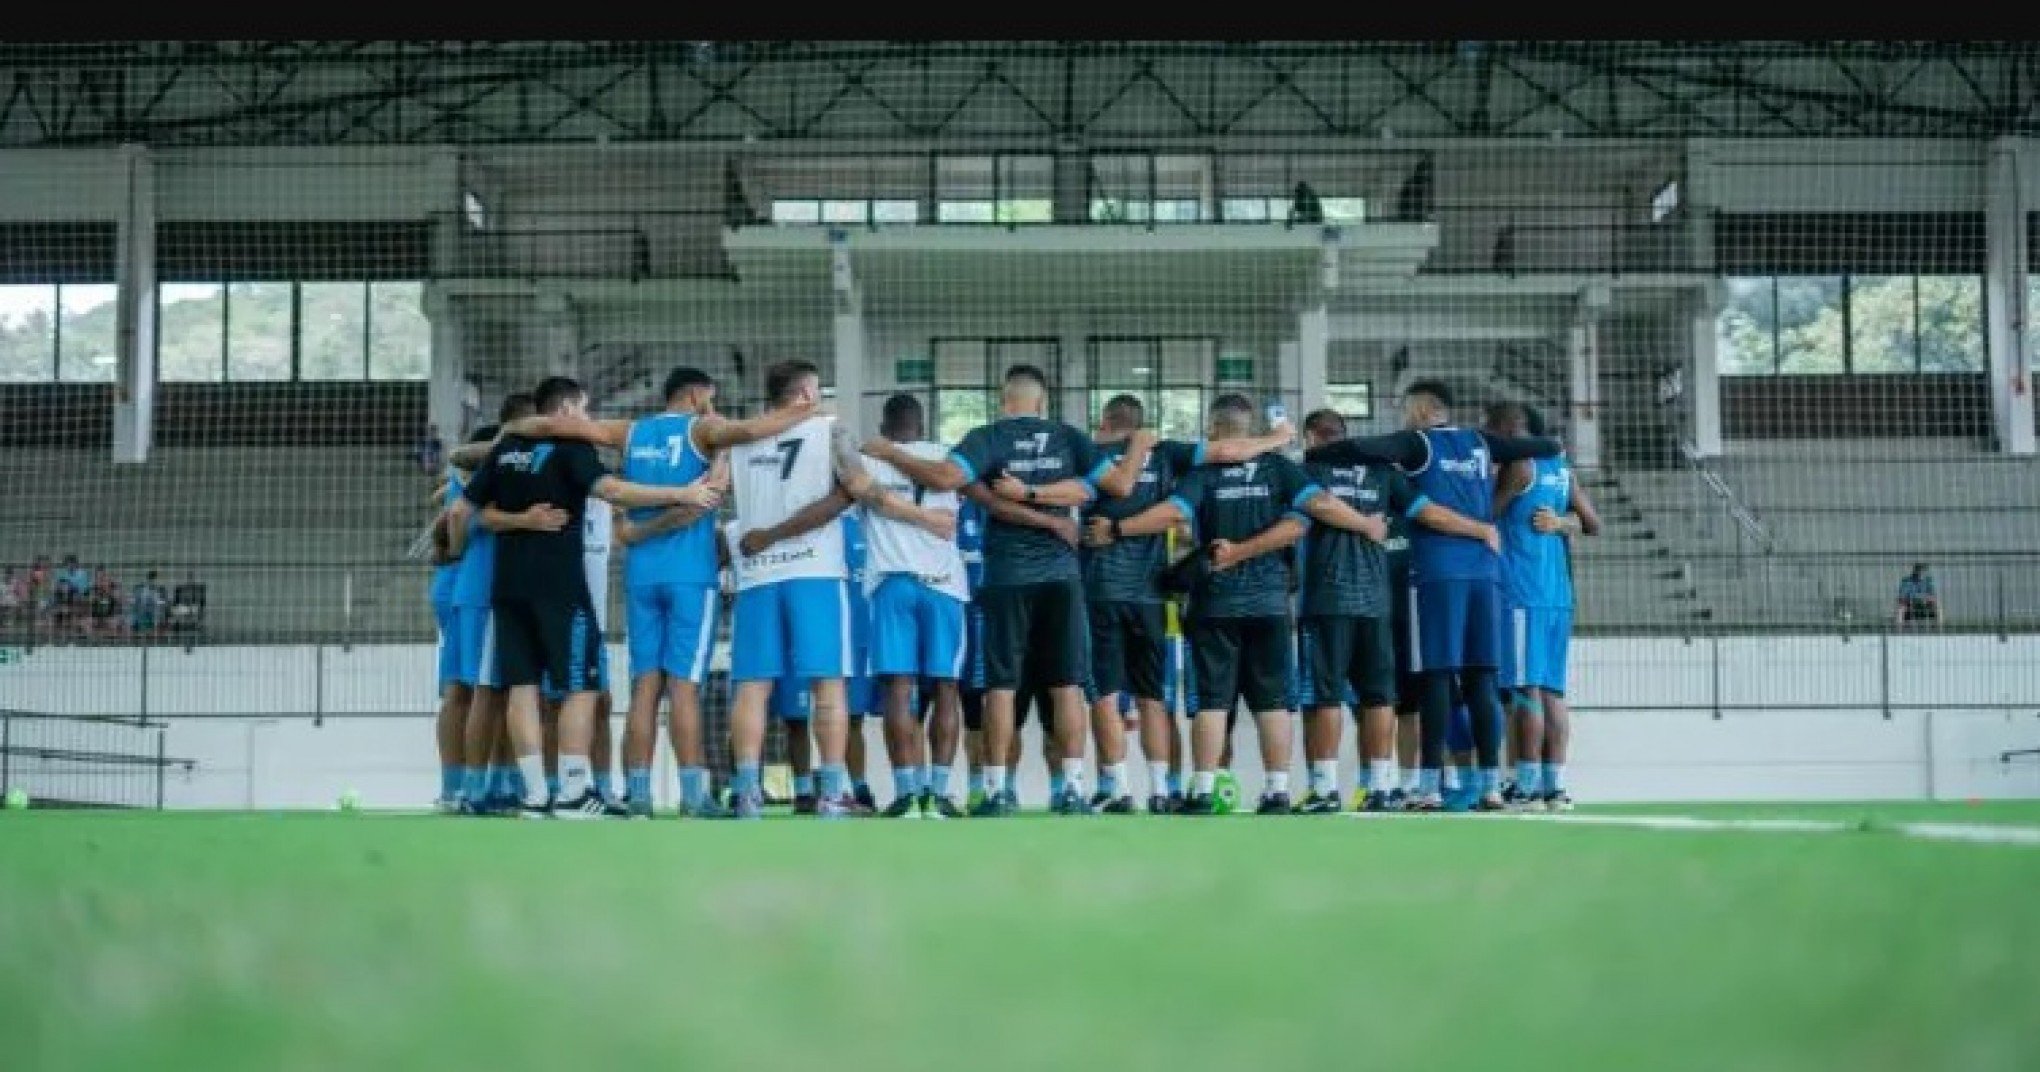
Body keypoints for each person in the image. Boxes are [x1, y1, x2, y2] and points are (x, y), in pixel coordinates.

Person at [482, 365, 812, 818]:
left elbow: (562, 425)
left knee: (644, 687)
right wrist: (805, 410)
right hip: (689, 576)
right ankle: (694, 796)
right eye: (709, 398)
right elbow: (754, 428)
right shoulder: (703, 429)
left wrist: (519, 426)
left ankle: (637, 795)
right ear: (697, 395)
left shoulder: (630, 432)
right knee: (683, 689)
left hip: (640, 575)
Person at [863, 364, 1148, 816]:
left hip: (1007, 576)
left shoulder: (989, 437)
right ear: (1043, 401)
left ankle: (995, 790)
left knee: (1001, 687)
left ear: (1003, 399)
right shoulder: (1069, 437)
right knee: (1067, 683)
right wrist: (1140, 443)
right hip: (1061, 575)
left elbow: (943, 479)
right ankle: (1073, 788)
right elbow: (1119, 484)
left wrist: (889, 452)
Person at [1085, 394, 1389, 815]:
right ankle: (1278, 791)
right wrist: (1365, 523)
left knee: (1211, 702)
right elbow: (1310, 514)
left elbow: (1173, 513)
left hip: (1214, 604)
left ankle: (1203, 789)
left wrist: (1119, 529)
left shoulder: (1204, 472)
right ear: (1248, 429)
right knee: (1272, 702)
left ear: (1213, 427)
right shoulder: (1281, 468)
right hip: (1269, 602)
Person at [449, 376, 718, 819]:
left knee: (521, 687)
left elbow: (463, 509)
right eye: (585, 410)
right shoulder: (572, 449)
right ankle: (574, 793)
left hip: (508, 584)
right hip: (560, 584)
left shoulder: (506, 448)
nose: (589, 418)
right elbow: (613, 491)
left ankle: (535, 796)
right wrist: (680, 492)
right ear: (569, 409)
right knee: (583, 686)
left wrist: (466, 547)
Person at [1302, 379, 1561, 812]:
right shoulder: (1481, 441)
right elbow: (1543, 446)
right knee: (1482, 677)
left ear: (1421, 410)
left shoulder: (1417, 443)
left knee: (1436, 678)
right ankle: (1491, 785)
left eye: (1406, 408)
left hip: (1438, 573)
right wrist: (1548, 448)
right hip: (1487, 572)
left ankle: (1429, 786)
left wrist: (1316, 453)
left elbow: (1365, 449)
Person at [724, 360, 950, 818]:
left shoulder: (738, 438)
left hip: (757, 575)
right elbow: (862, 488)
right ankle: (830, 792)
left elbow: (712, 490)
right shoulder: (829, 429)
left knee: (753, 687)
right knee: (828, 686)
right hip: (814, 574)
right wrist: (926, 518)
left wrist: (762, 535)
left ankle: (747, 793)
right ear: (807, 392)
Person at [1081, 394, 1293, 813]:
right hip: (1153, 594)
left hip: (1102, 590)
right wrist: (1278, 437)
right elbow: (1229, 453)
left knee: (1105, 695)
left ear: (1105, 423)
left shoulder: (1091, 454)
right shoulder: (1168, 454)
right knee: (1153, 697)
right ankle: (1164, 790)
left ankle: (1119, 790)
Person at [1296, 408, 1495, 813]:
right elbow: (1431, 513)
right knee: (1379, 698)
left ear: (1309, 438)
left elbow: (1317, 508)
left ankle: (1325, 789)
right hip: (1377, 600)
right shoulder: (1386, 474)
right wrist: (1481, 529)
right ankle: (1381, 787)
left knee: (1326, 696)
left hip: (1328, 599)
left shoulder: (1311, 468)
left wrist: (1358, 525)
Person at [858, 395, 970, 819]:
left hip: (893, 583)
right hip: (944, 587)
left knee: (898, 692)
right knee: (945, 689)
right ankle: (938, 794)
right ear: (923, 424)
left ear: (886, 425)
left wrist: (886, 454)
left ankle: (907, 795)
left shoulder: (870, 458)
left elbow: (849, 496)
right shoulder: (949, 459)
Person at [441, 395, 534, 815]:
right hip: (481, 589)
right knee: (482, 690)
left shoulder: (482, 469)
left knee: (473, 690)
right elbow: (458, 515)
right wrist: (458, 551)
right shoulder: (493, 461)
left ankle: (473, 785)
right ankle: (473, 787)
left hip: (471, 587)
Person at [1896, 563, 1941, 629]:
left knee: (1937, 605)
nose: (1922, 573)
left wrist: (1927, 599)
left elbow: (1932, 594)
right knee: (1901, 608)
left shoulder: (1928, 580)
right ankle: (1899, 629)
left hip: (1924, 604)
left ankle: (1939, 627)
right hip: (1910, 604)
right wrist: (1911, 600)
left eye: (1924, 571)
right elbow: (1902, 597)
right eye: (1920, 571)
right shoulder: (1906, 581)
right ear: (1915, 571)